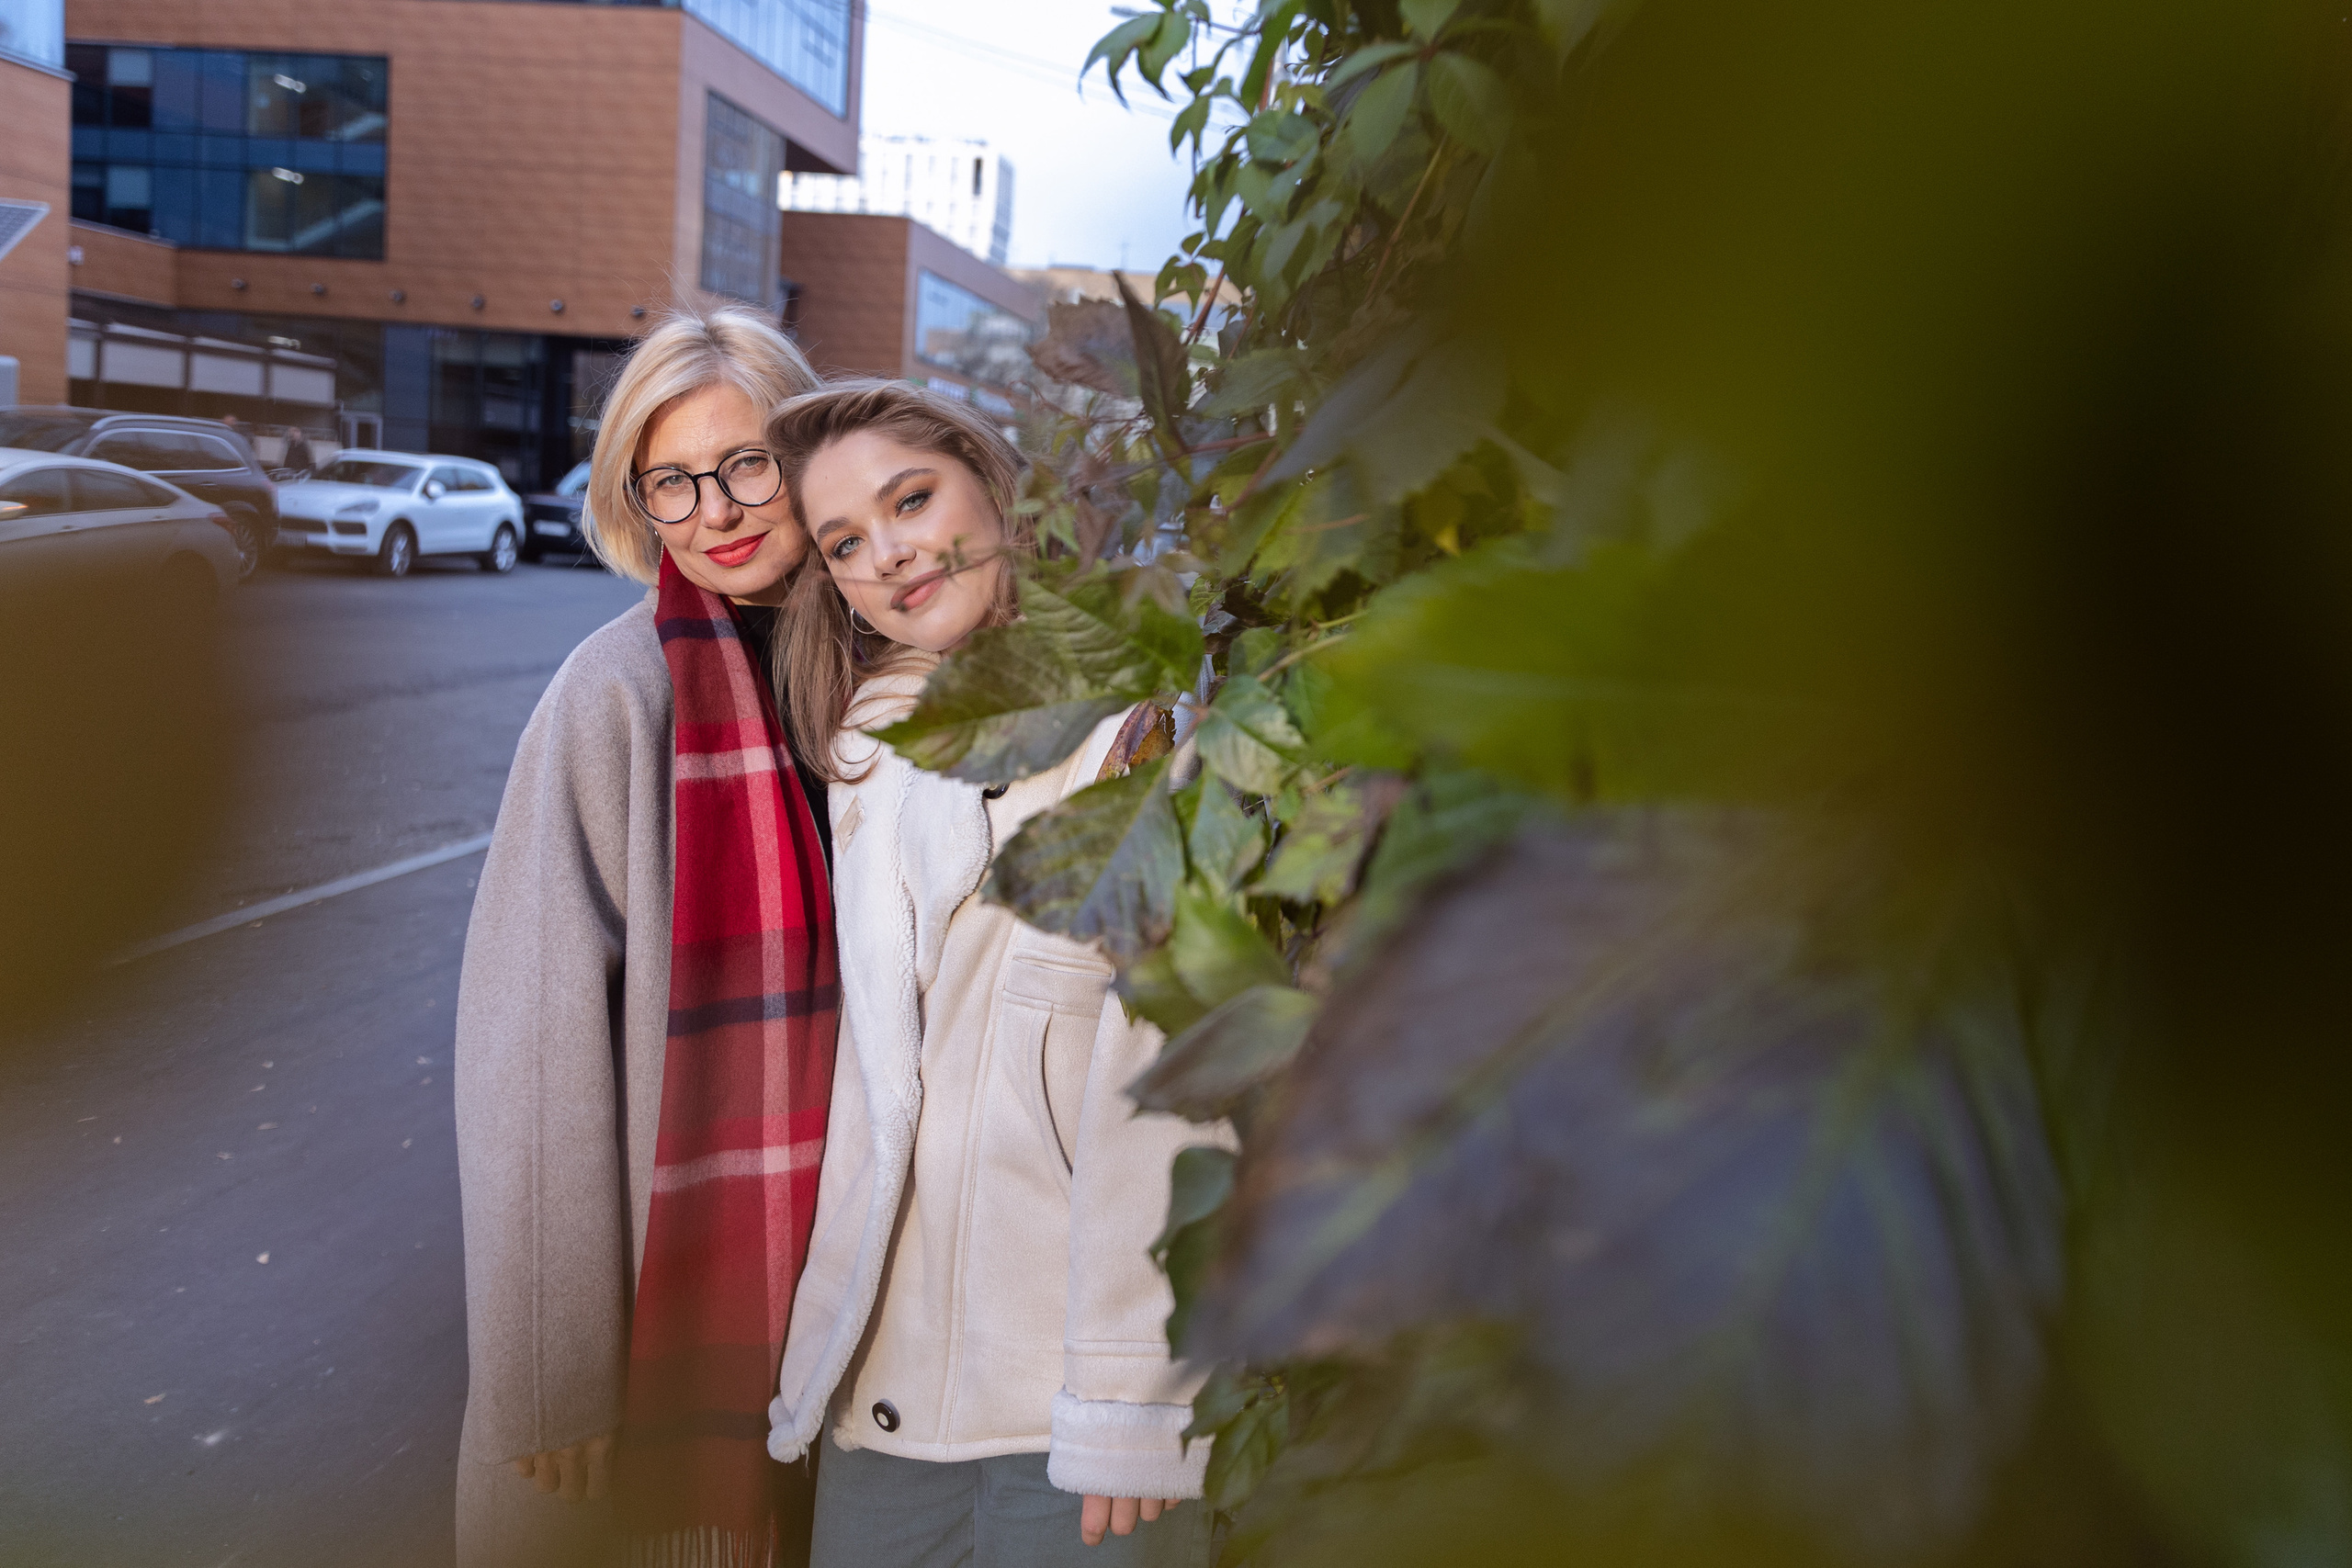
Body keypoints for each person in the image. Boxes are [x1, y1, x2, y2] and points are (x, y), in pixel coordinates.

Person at [763, 379, 1224, 1568]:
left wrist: (1136, 1397)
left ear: (989, 479)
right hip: (881, 1397)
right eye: (847, 543)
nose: (891, 556)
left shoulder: (1137, 737)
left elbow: (1168, 1079)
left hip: (1068, 1417)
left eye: (911, 499)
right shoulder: (869, 748)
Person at [452, 302, 831, 1568]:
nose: (716, 510)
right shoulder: (617, 697)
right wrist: (553, 1371)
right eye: (671, 480)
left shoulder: (883, 690)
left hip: (844, 1308)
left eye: (745, 464)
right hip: (658, 1315)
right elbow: (533, 1051)